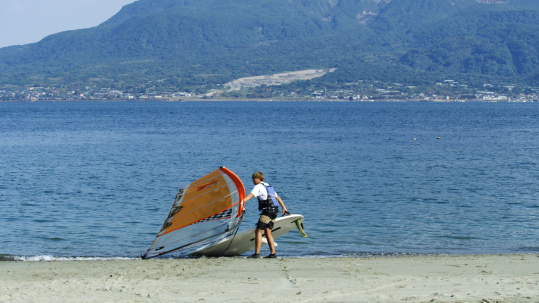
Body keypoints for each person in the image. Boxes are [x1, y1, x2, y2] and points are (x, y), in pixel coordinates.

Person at [242, 172, 288, 258]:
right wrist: (284, 208)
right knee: (268, 232)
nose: (252, 180)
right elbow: (278, 197)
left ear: (258, 178)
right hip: (274, 212)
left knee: (258, 231)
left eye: (253, 178)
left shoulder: (258, 186)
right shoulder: (269, 186)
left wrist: (242, 201)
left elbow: (251, 195)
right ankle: (273, 253)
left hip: (267, 213)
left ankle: (257, 254)